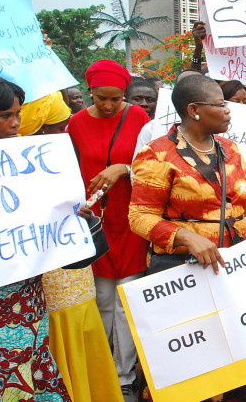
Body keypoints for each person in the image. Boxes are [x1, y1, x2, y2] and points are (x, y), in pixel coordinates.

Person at [128, 74, 246, 401]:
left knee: (239, 356)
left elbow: (237, 208)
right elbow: (139, 216)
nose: (229, 111)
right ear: (194, 110)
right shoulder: (158, 155)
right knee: (193, 366)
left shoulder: (229, 150)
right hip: (182, 275)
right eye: (221, 105)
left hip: (230, 270)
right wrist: (185, 237)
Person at [18, 90, 124, 401]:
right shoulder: (7, 167)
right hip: (46, 281)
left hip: (75, 276)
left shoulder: (59, 153)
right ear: (37, 127)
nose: (64, 131)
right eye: (56, 125)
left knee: (83, 327)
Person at [67, 60, 150, 400]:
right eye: (101, 98)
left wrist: (124, 168)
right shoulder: (75, 123)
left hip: (130, 217)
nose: (108, 105)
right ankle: (99, 369)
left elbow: (152, 163)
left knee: (125, 299)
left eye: (116, 99)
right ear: (91, 93)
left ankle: (124, 375)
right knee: (101, 298)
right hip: (94, 221)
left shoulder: (138, 118)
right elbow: (67, 169)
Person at [0, 73, 72, 401]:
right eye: (5, 115)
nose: (15, 123)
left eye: (18, 114)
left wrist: (76, 221)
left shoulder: (33, 163)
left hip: (26, 301)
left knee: (26, 374)